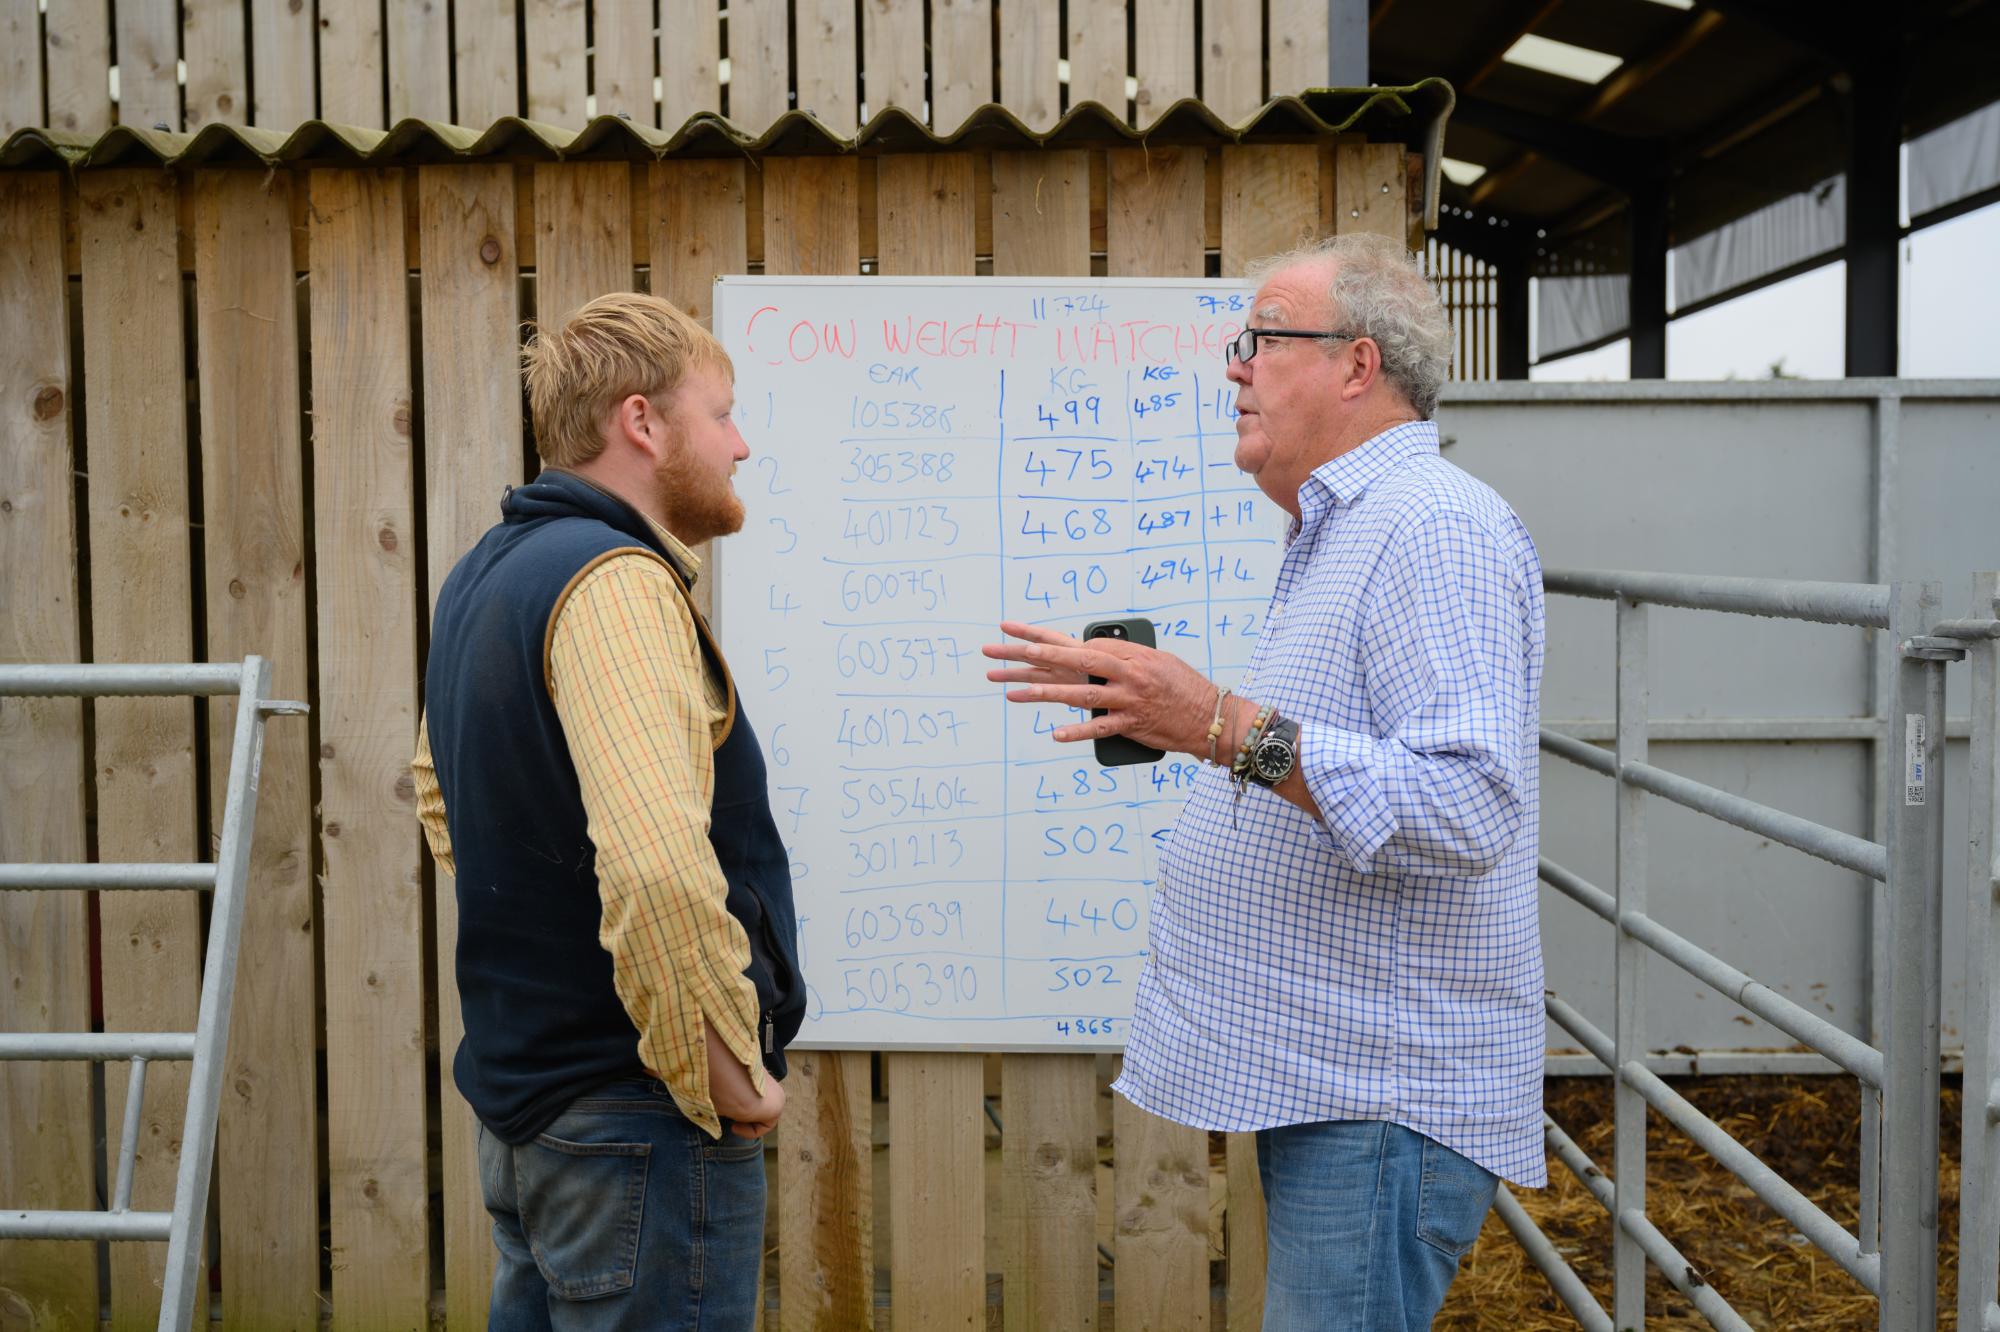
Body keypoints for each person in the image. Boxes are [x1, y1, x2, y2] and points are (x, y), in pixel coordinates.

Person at [985, 233, 1546, 1331]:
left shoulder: (1430, 527)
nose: (1232, 366)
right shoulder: (1346, 530)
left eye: (1261, 339)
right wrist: (1211, 729)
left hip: (1380, 1100)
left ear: (1356, 364)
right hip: (1339, 1093)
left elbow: (1469, 803)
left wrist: (1216, 724)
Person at [411, 292, 804, 1331]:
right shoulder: (614, 580)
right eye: (721, 414)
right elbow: (657, 869)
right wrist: (728, 1071)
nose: (741, 444)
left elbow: (439, 795)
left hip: (533, 1114)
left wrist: (553, 934)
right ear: (641, 423)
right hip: (637, 1119)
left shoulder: (482, 576)